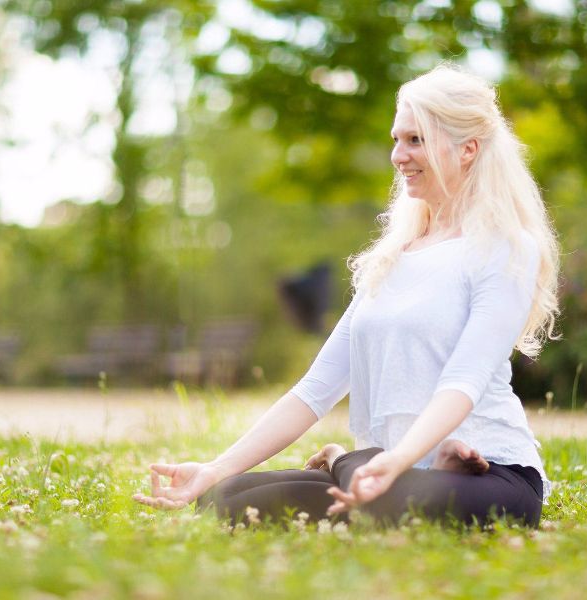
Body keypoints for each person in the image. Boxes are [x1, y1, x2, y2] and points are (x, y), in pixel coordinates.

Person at [133, 64, 560, 528]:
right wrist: (215, 468)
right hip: (394, 471)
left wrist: (397, 460)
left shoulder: (506, 248)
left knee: (400, 501)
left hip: (491, 476)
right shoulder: (393, 257)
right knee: (228, 497)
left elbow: (464, 381)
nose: (398, 155)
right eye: (397, 139)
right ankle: (367, 470)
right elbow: (317, 389)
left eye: (416, 140)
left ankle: (345, 462)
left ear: (467, 149)